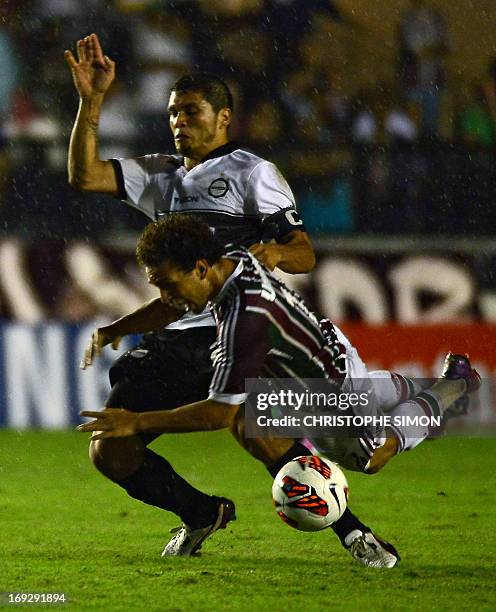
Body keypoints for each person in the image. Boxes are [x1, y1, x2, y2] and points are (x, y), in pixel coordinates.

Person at [65, 33, 396, 566]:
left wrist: (273, 254)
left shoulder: (251, 172)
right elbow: (83, 175)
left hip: (234, 327)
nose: (179, 122)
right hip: (175, 335)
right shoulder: (158, 174)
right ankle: (201, 513)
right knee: (111, 450)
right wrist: (91, 100)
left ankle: (356, 535)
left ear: (223, 118)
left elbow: (304, 251)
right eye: (173, 113)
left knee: (256, 431)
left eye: (191, 112)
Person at [78, 215, 480, 564]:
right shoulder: (227, 261)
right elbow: (178, 304)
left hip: (324, 384)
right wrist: (121, 327)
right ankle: (410, 396)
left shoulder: (244, 318)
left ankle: (450, 388)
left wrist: (135, 422)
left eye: (168, 284)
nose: (166, 297)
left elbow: (218, 413)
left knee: (371, 455)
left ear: (200, 268)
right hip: (305, 359)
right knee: (259, 424)